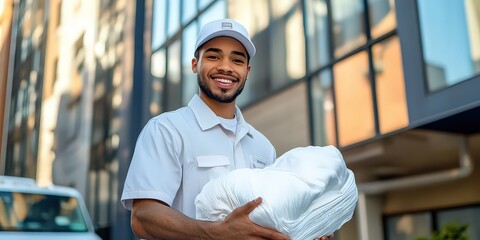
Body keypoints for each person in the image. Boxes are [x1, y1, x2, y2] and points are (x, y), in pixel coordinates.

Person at [121, 18, 334, 240]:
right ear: (195, 64)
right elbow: (143, 217)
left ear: (247, 71)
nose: (225, 67)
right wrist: (216, 234)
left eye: (237, 60)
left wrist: (306, 230)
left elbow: (272, 220)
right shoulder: (165, 130)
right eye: (214, 56)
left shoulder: (262, 147)